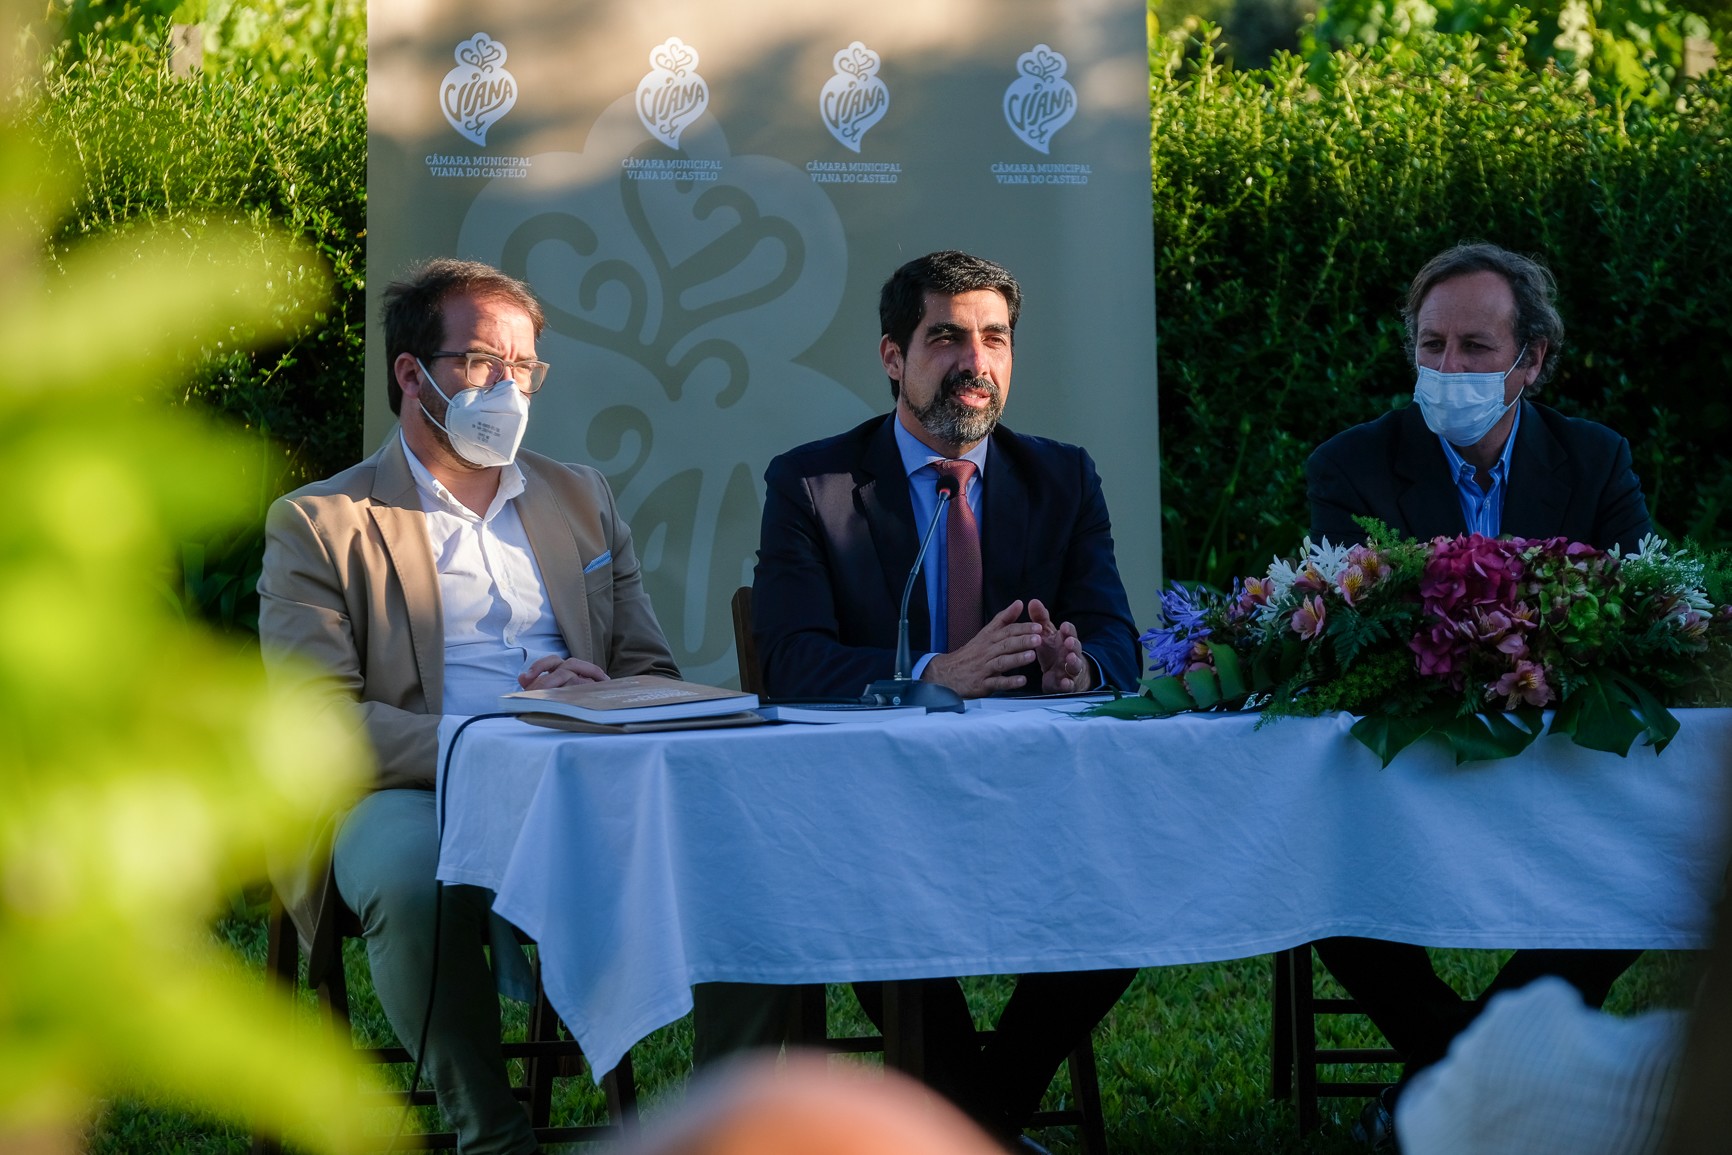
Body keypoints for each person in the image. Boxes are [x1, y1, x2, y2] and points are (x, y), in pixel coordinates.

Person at [706, 250, 1139, 1145]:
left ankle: (973, 1124)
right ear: (893, 356)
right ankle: (990, 1126)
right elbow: (790, 660)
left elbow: (1116, 641)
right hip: (871, 812)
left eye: (995, 338)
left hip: (1033, 803)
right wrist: (933, 675)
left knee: (1130, 887)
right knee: (866, 891)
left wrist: (1081, 668)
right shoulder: (814, 483)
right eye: (946, 337)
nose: (975, 361)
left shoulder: (1062, 478)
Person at [258, 259, 678, 1154]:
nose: (510, 389)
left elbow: (650, 669)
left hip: (575, 778)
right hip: (407, 789)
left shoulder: (582, 498)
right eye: (485, 362)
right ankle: (494, 1135)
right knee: (419, 879)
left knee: (719, 846)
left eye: (525, 367)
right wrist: (485, 739)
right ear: (413, 374)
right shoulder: (322, 521)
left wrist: (599, 691)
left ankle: (730, 1122)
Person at [1305, 241, 1655, 1148]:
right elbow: (1357, 625)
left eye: (1474, 348)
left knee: (1639, 854)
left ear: (1530, 360)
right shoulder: (1351, 466)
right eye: (1432, 346)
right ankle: (1482, 1080)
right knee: (1313, 861)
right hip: (1409, 773)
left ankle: (1440, 1084)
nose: (1448, 369)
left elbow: (1636, 615)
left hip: (1560, 766)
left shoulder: (1596, 460)